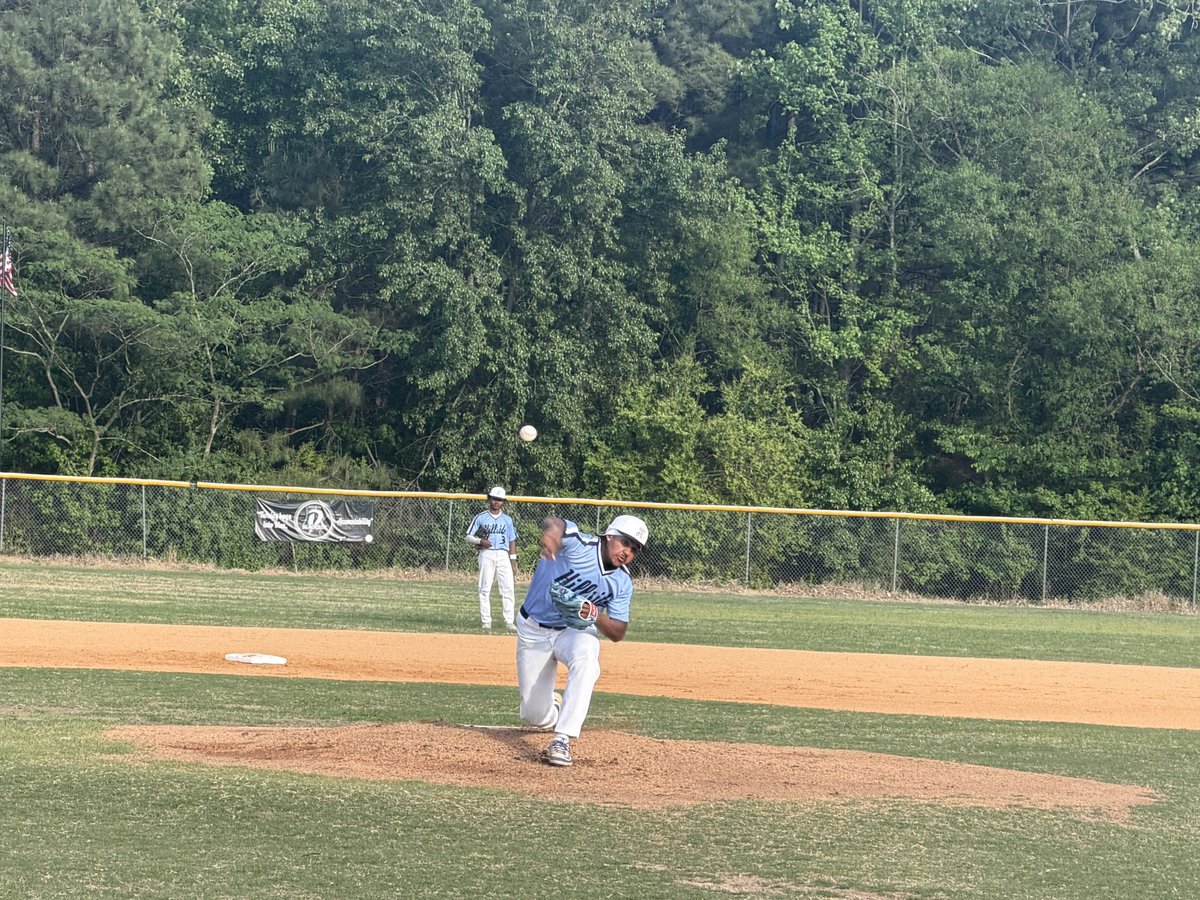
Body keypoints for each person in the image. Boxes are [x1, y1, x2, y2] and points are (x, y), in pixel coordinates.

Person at [515, 512, 649, 767]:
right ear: (610, 536)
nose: (627, 551)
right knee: (533, 714)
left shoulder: (622, 582)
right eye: (624, 542)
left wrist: (595, 614)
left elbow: (618, 632)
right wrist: (553, 534)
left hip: (573, 630)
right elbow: (556, 522)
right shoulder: (580, 546)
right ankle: (554, 710)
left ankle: (562, 739)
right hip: (534, 630)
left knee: (588, 658)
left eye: (634, 548)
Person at [465, 486, 519, 631]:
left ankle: (509, 621)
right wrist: (480, 542)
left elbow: (512, 541)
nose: (497, 502)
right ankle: (486, 621)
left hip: (503, 554)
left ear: (503, 502)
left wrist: (513, 562)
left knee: (508, 588)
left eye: (500, 500)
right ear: (489, 499)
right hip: (486, 554)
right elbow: (468, 537)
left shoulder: (507, 520)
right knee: (484, 588)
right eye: (495, 499)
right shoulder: (481, 517)